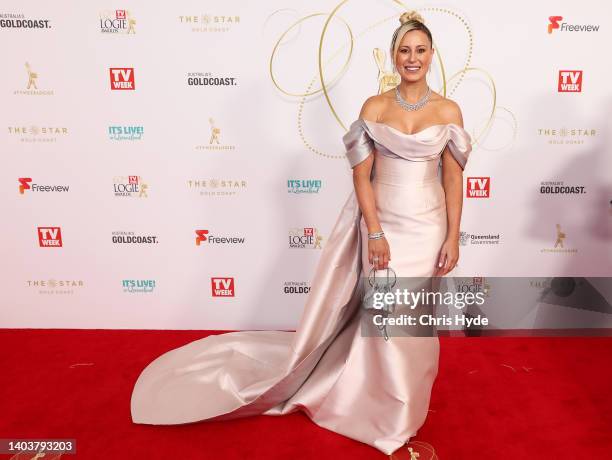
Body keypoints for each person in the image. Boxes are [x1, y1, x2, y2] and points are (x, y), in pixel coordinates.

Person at [130, 10, 472, 455]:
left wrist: (452, 235)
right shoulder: (374, 107)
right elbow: (361, 179)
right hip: (384, 225)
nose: (412, 58)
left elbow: (452, 179)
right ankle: (382, 411)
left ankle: (404, 410)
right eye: (404, 51)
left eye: (420, 51)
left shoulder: (448, 110)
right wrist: (374, 232)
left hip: (428, 227)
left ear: (431, 55)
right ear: (392, 56)